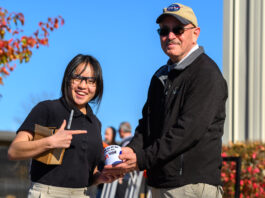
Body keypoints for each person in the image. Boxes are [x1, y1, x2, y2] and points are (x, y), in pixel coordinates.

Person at [104, 3, 227, 198]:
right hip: (161, 184)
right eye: (164, 31)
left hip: (191, 186)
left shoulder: (206, 73)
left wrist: (142, 159)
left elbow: (186, 132)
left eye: (178, 30)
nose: (170, 36)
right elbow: (146, 127)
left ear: (195, 33)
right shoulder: (160, 77)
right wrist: (129, 153)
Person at [8, 54, 119, 198]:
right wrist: (49, 142)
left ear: (97, 86)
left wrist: (98, 178)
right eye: (78, 77)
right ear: (68, 79)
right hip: (46, 193)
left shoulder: (95, 124)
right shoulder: (47, 109)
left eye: (91, 81)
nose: (83, 85)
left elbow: (86, 174)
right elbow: (14, 151)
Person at [115, 122, 133, 198]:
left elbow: (124, 160)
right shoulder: (134, 140)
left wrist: (120, 177)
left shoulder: (126, 143)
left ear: (121, 131)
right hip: (131, 178)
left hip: (125, 178)